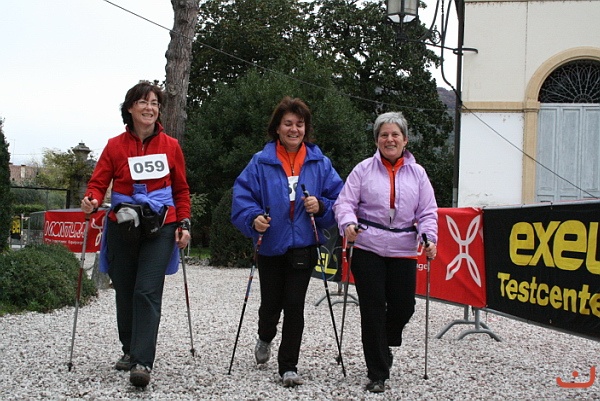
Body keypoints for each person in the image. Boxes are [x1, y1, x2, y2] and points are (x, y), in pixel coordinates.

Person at [80, 81, 191, 388]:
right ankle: (129, 349)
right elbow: (98, 183)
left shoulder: (171, 146)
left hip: (160, 225)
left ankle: (142, 362)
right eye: (143, 102)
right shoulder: (114, 146)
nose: (149, 108)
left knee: (146, 291)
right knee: (126, 290)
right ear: (130, 108)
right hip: (124, 224)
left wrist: (184, 224)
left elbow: (181, 189)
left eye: (154, 103)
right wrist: (91, 199)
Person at [231, 96, 343, 387]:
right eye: (288, 123)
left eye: (300, 124)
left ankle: (288, 366)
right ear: (277, 128)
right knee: (271, 305)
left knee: (294, 305)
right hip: (270, 244)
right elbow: (242, 198)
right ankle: (265, 336)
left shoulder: (320, 162)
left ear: (306, 128)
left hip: (304, 244)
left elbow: (340, 199)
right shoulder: (260, 162)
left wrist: (321, 206)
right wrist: (253, 218)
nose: (294, 129)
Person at [333, 111, 438, 393]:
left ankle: (386, 341)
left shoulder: (418, 174)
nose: (389, 139)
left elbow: (427, 212)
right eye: (383, 135)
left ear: (405, 140)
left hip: (403, 248)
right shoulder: (363, 169)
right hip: (368, 245)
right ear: (376, 140)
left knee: (404, 306)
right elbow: (344, 203)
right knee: (373, 308)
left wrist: (429, 237)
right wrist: (348, 223)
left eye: (395, 134)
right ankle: (377, 372)